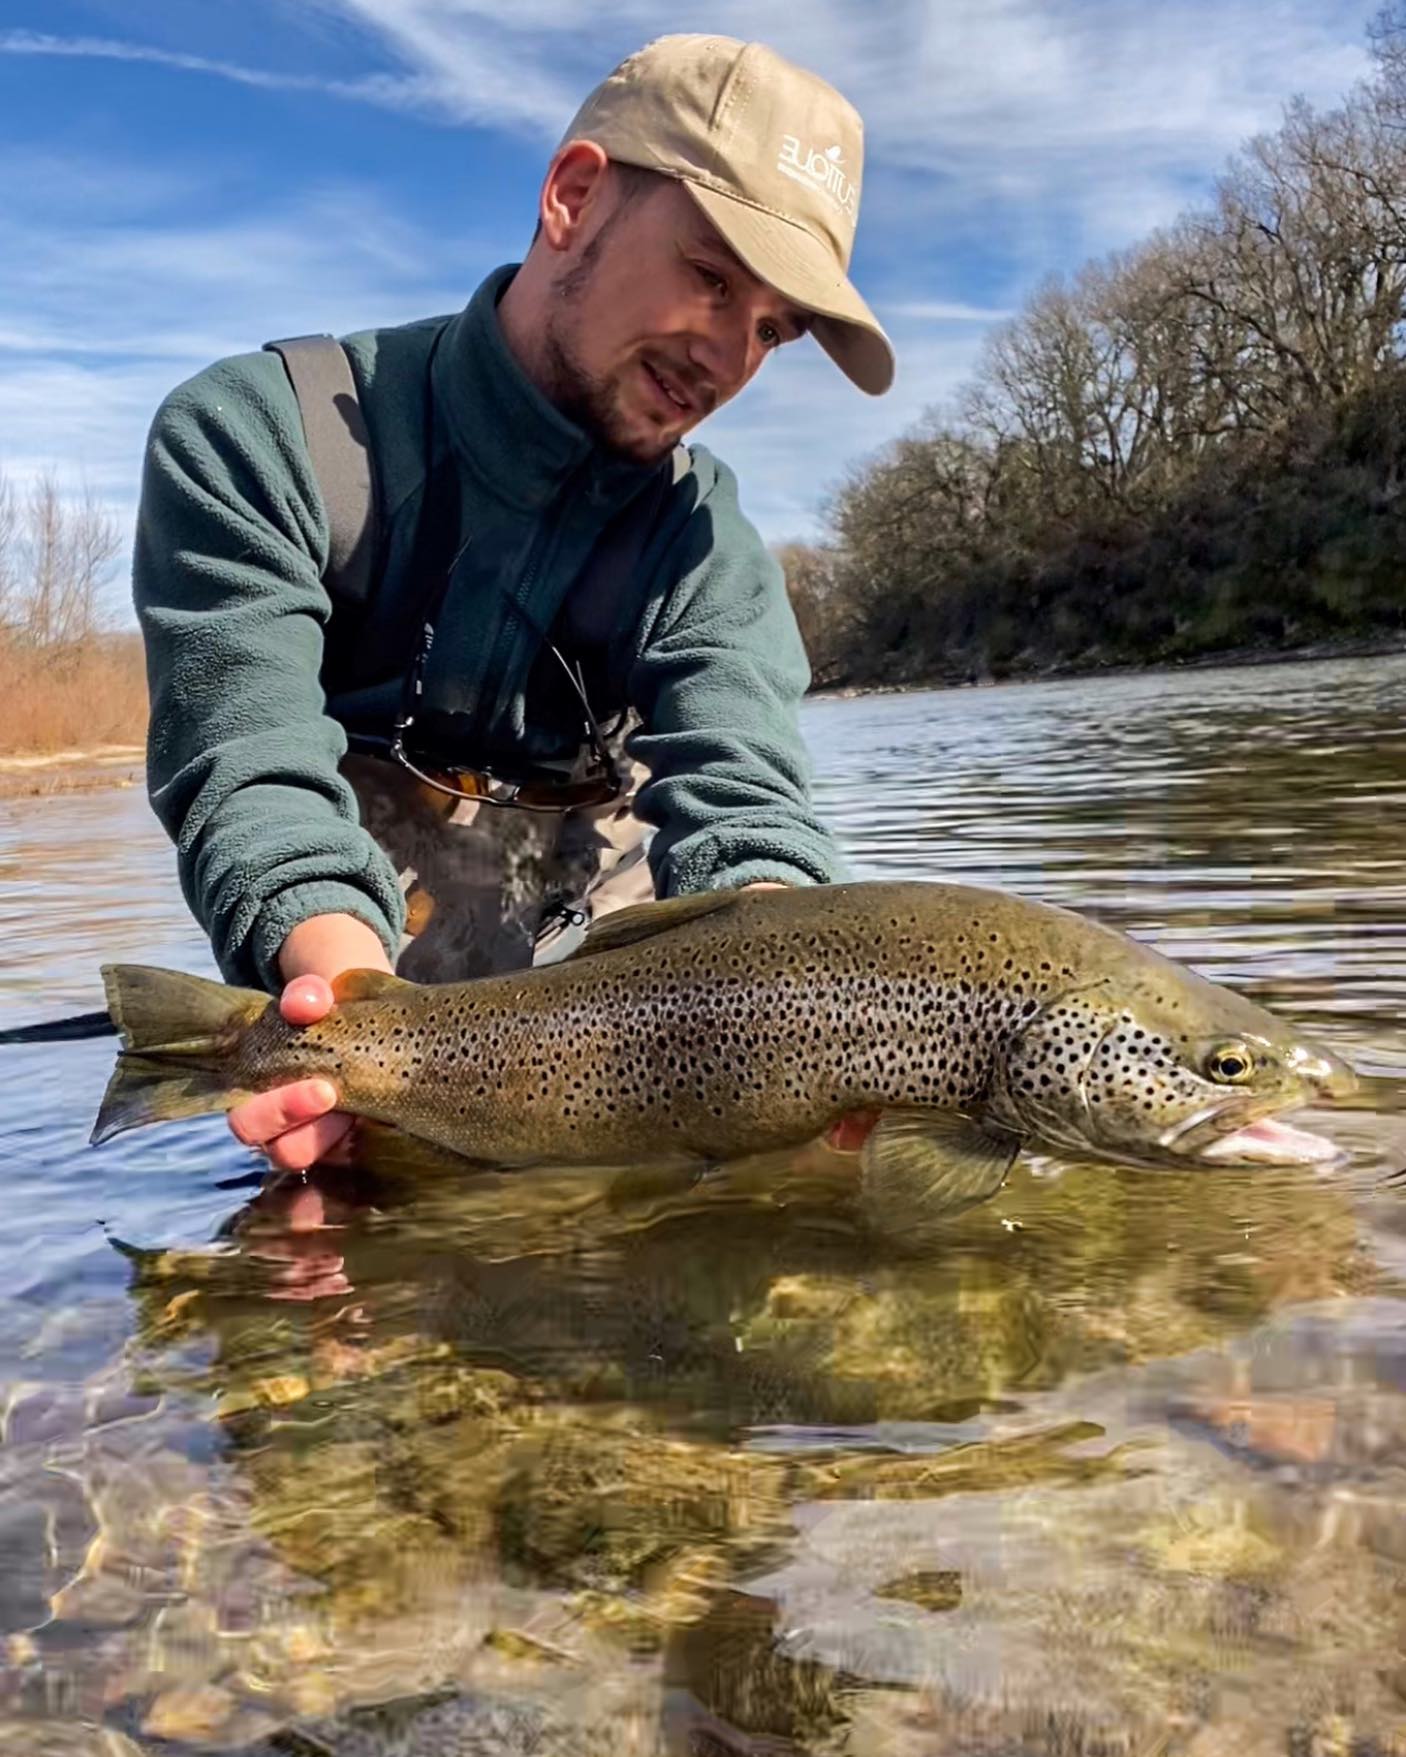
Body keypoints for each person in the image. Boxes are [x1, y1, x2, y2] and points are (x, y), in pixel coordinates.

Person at [133, 33, 895, 1172]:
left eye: (773, 328)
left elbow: (744, 802)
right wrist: (335, 1017)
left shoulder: (708, 546)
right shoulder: (256, 438)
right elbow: (251, 768)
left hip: (634, 999)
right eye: (713, 275)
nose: (732, 354)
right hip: (354, 958)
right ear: (572, 196)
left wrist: (807, 1025)